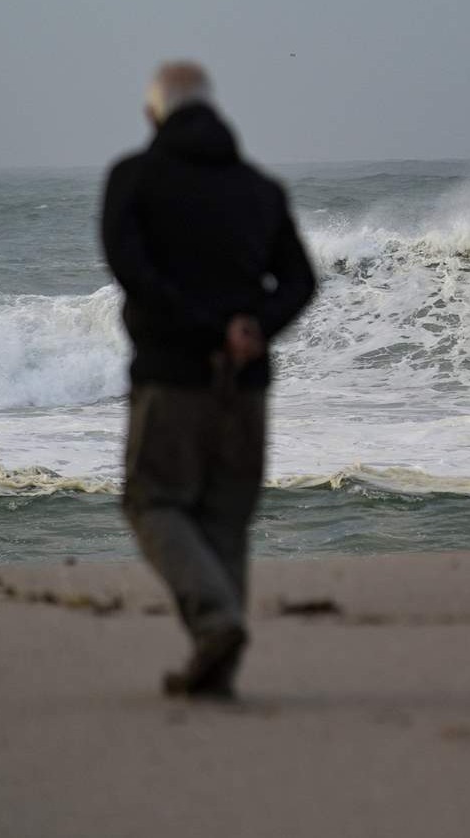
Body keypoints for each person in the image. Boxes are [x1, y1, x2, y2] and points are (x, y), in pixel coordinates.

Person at [100, 61, 316, 699]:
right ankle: (216, 669)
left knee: (152, 502)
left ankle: (217, 624)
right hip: (245, 388)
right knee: (224, 519)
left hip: (173, 379)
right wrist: (253, 327)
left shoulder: (134, 179)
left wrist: (202, 328)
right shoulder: (260, 189)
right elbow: (301, 281)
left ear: (154, 113)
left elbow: (132, 270)